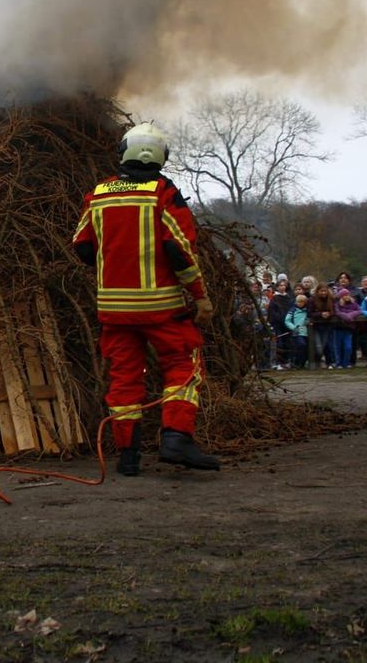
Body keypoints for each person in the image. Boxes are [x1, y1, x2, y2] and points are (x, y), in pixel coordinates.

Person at [73, 121, 218, 478]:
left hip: (113, 310)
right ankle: (176, 439)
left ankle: (128, 458)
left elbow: (81, 245)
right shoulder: (163, 193)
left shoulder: (100, 193)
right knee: (184, 365)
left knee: (124, 378)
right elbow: (180, 250)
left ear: (125, 151)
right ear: (160, 156)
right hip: (161, 307)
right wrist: (200, 297)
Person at [308, 282, 337, 369]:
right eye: (321, 291)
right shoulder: (312, 300)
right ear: (318, 291)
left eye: (325, 291)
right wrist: (320, 314)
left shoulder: (331, 300)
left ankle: (329, 362)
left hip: (327, 325)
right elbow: (310, 313)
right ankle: (316, 361)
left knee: (326, 345)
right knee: (318, 346)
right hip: (316, 326)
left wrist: (329, 314)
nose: (323, 293)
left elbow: (334, 311)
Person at [333, 288, 362, 369]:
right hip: (338, 328)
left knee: (348, 347)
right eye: (344, 295)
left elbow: (359, 311)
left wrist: (351, 315)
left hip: (349, 329)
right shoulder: (337, 304)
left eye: (347, 294)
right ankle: (339, 363)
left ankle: (346, 363)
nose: (346, 296)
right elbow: (337, 312)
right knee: (338, 347)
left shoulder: (354, 303)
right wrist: (346, 316)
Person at [284, 293, 310, 369]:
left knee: (306, 348)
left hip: (306, 332)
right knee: (301, 345)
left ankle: (302, 364)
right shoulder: (292, 310)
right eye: (298, 302)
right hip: (297, 332)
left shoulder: (307, 311)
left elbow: (309, 319)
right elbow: (287, 321)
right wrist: (294, 327)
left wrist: (308, 321)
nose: (300, 303)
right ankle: (296, 363)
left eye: (302, 302)